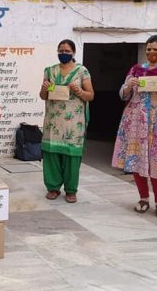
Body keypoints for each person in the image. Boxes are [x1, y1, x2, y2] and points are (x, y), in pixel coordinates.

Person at [112, 35, 157, 219]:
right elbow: (123, 94)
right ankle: (143, 198)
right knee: (137, 158)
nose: (151, 53)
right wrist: (128, 85)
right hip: (136, 121)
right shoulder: (137, 69)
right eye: (149, 49)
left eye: (155, 50)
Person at [39, 39, 94, 203]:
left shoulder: (81, 71)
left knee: (71, 155)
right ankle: (53, 187)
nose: (63, 54)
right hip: (53, 121)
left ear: (73, 53)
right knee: (51, 154)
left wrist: (79, 91)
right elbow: (43, 96)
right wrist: (44, 88)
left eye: (67, 51)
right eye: (61, 51)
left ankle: (71, 190)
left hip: (73, 122)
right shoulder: (50, 71)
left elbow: (90, 95)